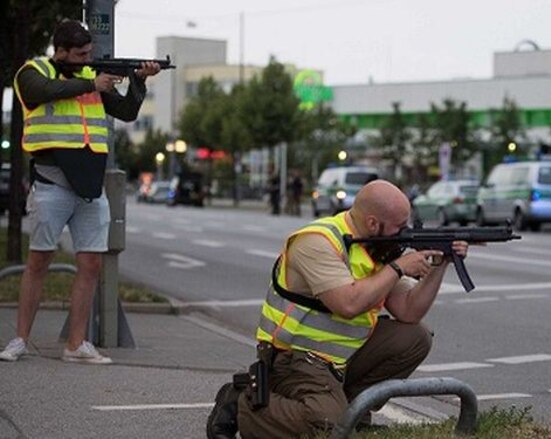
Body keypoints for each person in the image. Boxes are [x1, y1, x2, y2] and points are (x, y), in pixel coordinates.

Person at [206, 179, 468, 439]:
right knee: (329, 428)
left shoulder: (376, 248)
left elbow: (410, 311)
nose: (405, 233)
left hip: (339, 357)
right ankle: (242, 402)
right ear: (373, 224)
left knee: (415, 337)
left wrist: (440, 265)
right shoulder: (317, 242)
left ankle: (355, 412)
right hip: (294, 359)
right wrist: (398, 267)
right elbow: (347, 304)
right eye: (399, 227)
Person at [0, 20, 160, 364]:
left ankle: (76, 345)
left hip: (89, 186)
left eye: (89, 53)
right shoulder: (34, 71)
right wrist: (89, 82)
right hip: (51, 181)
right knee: (39, 261)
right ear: (60, 51)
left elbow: (127, 112)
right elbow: (38, 92)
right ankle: (19, 340)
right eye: (81, 54)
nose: (88, 58)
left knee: (90, 264)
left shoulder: (92, 76)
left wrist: (139, 80)